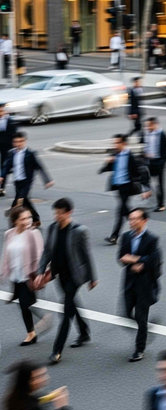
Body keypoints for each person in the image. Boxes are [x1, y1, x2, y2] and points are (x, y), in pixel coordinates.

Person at [35, 198, 98, 364]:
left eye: (60, 213)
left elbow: (86, 255)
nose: (57, 216)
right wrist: (41, 272)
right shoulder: (53, 228)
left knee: (65, 311)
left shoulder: (79, 231)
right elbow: (47, 252)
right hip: (59, 274)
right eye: (55, 213)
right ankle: (84, 331)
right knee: (71, 304)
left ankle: (57, 351)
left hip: (75, 276)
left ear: (69, 212)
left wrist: (92, 278)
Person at [118, 208, 162, 362]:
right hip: (129, 283)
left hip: (145, 285)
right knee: (126, 312)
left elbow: (155, 261)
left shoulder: (152, 239)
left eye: (136, 218)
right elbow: (121, 257)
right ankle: (144, 329)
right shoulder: (125, 237)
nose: (132, 222)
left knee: (140, 317)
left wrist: (136, 260)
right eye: (130, 219)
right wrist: (137, 260)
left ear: (144, 220)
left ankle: (139, 349)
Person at [0, 206, 47, 345]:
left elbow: (40, 254)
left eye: (29, 217)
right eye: (23, 218)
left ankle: (36, 327)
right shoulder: (9, 234)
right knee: (24, 304)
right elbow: (6, 255)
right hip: (15, 275)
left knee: (25, 304)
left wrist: (39, 274)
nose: (27, 221)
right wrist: (3, 272)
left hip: (29, 275)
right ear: (15, 221)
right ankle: (34, 330)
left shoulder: (34, 233)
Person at [99, 134, 151, 244]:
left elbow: (139, 172)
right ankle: (138, 226)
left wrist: (145, 188)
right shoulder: (115, 154)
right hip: (118, 187)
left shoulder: (130, 156)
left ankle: (115, 236)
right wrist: (107, 164)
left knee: (121, 211)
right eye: (115, 143)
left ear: (124, 144)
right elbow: (109, 167)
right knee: (125, 211)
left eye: (117, 143)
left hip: (127, 186)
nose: (115, 145)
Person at [0, 131, 54, 227]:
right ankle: (36, 219)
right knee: (25, 201)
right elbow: (6, 166)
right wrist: (2, 176)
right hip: (17, 181)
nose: (18, 144)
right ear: (13, 142)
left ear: (24, 141)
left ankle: (13, 221)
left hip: (27, 182)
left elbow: (39, 167)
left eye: (20, 141)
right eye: (16, 142)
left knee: (20, 200)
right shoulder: (11, 153)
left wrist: (47, 180)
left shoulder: (30, 154)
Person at [141, 117, 166, 212]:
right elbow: (146, 146)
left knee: (160, 184)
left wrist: (162, 162)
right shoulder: (147, 134)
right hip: (150, 162)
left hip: (159, 162)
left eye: (149, 125)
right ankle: (151, 199)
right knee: (146, 180)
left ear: (154, 125)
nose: (147, 127)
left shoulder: (162, 135)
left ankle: (161, 204)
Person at [0, 102, 18, 196]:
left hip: (7, 148)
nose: (0, 113)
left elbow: (15, 135)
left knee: (5, 167)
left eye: (1, 110)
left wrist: (14, 147)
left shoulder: (10, 121)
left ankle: (2, 188)